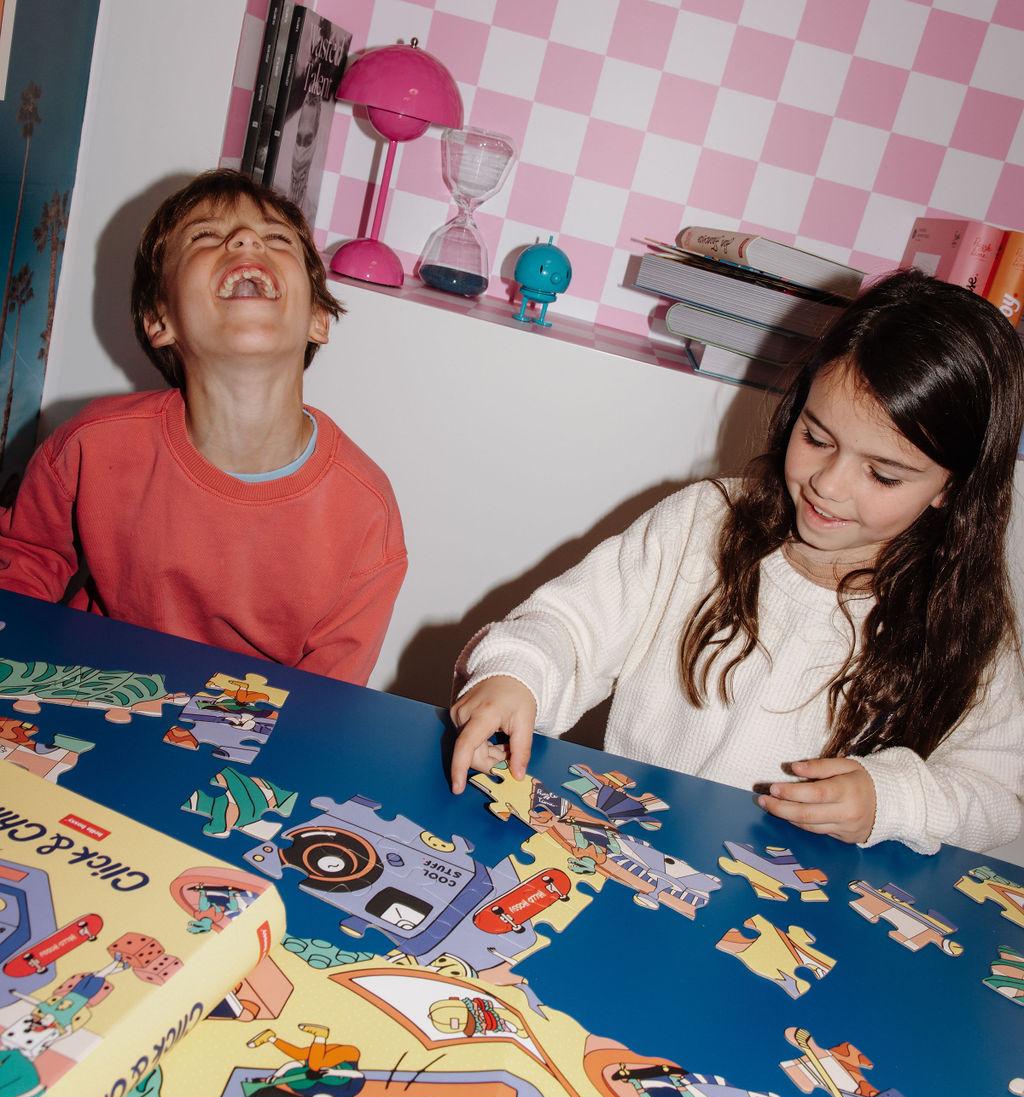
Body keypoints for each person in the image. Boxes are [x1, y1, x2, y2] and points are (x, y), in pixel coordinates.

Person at [450, 270, 1024, 855]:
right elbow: (571, 627)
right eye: (816, 438)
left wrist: (893, 800)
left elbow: (1001, 793)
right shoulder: (703, 523)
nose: (828, 484)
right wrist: (515, 675)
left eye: (882, 474)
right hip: (630, 856)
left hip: (801, 899)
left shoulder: (966, 623)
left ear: (953, 486)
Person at [0, 169, 406, 684]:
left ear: (318, 320)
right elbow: (22, 565)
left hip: (244, 722)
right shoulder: (90, 445)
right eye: (206, 235)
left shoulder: (366, 513)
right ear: (160, 320)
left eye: (277, 238)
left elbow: (326, 697)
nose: (246, 239)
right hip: (86, 692)